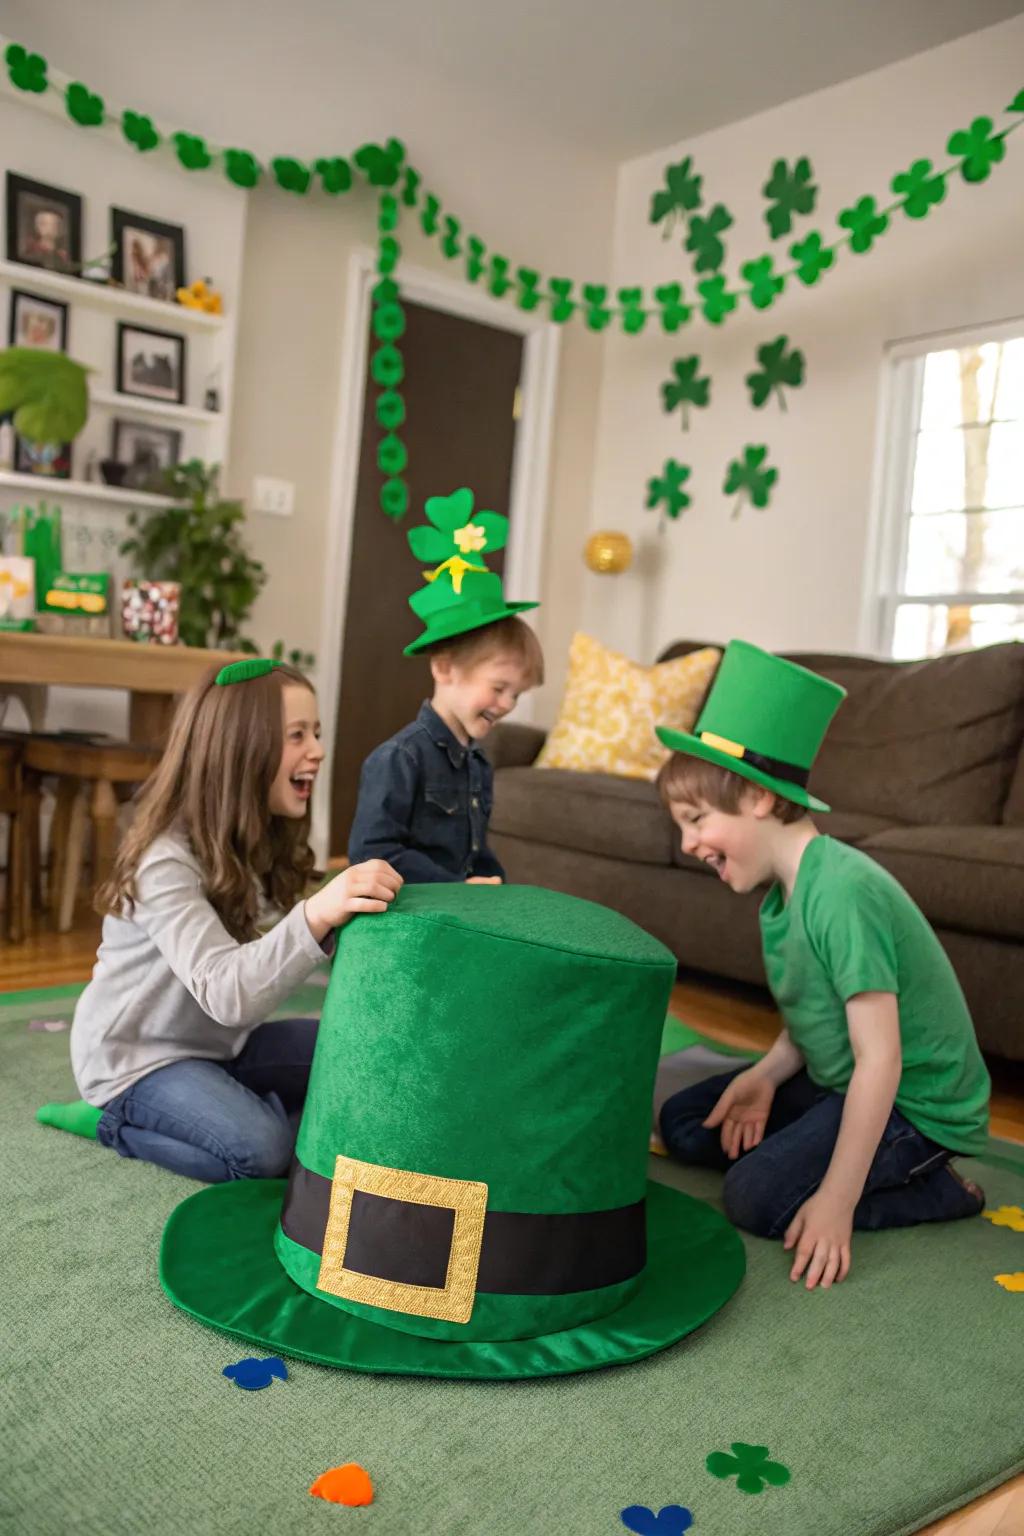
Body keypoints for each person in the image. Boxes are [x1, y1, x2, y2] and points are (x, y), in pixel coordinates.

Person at [656, 639, 990, 1290]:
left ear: (756, 797)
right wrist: (766, 1074)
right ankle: (817, 1150)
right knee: (687, 1124)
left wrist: (837, 1201)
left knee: (754, 1197)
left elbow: (881, 1059)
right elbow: (817, 1016)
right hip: (844, 1079)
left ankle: (939, 1190)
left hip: (914, 1107)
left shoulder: (841, 891)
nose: (688, 843)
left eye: (696, 820)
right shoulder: (781, 896)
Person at [63, 658, 401, 1181]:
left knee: (365, 1054)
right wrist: (316, 913)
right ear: (241, 751)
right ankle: (110, 1121)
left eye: (316, 732)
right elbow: (228, 993)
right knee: (263, 1152)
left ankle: (236, 1104)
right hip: (137, 1062)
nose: (317, 750)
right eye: (296, 735)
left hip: (223, 1047)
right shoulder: (164, 861)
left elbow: (275, 961)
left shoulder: (257, 840)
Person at [348, 487, 542, 883]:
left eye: (517, 694)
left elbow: (473, 850)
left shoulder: (478, 761)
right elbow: (372, 854)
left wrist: (495, 883)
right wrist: (456, 888)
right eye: (499, 687)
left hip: (458, 908)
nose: (507, 704)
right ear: (444, 669)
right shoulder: (400, 758)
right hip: (409, 914)